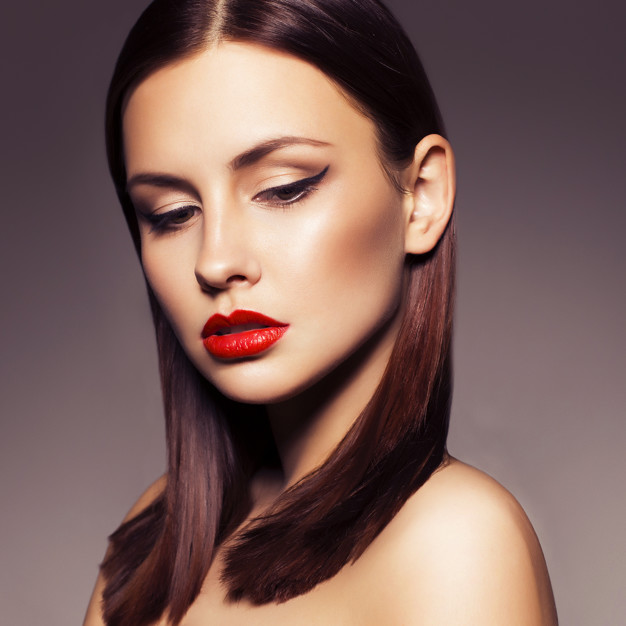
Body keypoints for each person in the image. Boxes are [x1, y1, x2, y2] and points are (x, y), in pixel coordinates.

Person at [84, 0, 558, 624]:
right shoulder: (159, 534)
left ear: (421, 197)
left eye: (283, 189)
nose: (215, 261)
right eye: (171, 214)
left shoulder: (458, 544)